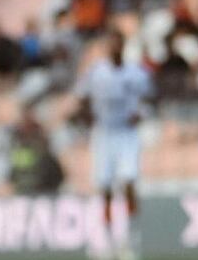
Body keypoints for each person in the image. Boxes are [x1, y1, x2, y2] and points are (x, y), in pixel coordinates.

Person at [76, 32, 153, 259]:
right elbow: (81, 97)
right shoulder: (96, 72)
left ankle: (131, 238)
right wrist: (87, 116)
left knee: (128, 181)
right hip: (104, 133)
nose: (114, 48)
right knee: (105, 186)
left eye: (118, 44)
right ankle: (109, 240)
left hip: (126, 133)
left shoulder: (135, 73)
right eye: (111, 44)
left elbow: (150, 98)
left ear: (123, 46)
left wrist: (142, 113)